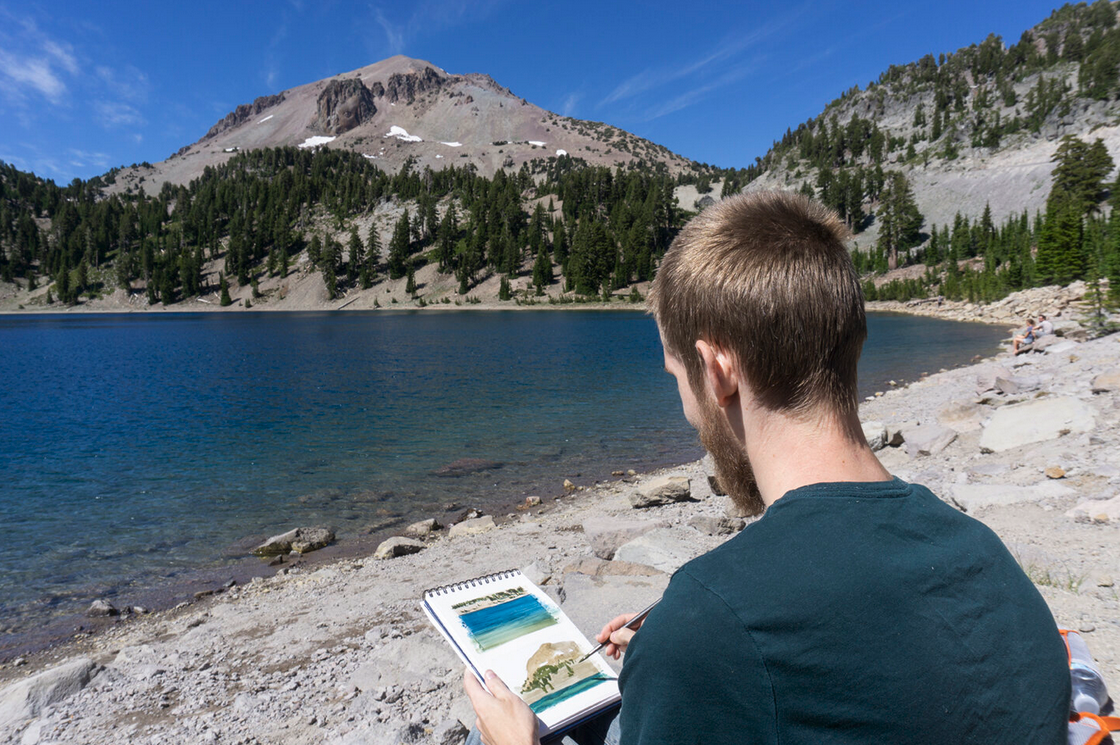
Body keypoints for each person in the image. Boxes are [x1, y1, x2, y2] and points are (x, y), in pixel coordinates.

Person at [464, 192, 1070, 745]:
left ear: (717, 369)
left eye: (678, 378)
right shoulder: (983, 551)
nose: (685, 410)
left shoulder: (712, 617)